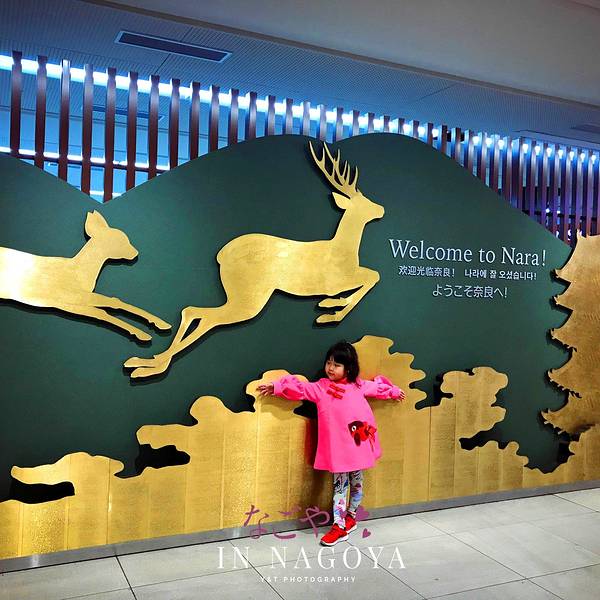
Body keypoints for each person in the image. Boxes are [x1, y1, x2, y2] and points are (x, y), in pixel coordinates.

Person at [257, 340, 405, 546]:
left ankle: (351, 517)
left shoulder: (358, 385)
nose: (331, 368)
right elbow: (301, 389)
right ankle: (338, 526)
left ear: (349, 368)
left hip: (358, 445)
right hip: (338, 451)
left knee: (357, 482)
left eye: (336, 364)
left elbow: (377, 389)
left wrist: (394, 391)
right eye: (329, 363)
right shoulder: (321, 387)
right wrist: (276, 386)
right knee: (340, 487)